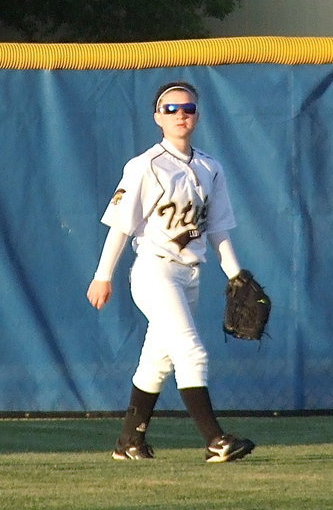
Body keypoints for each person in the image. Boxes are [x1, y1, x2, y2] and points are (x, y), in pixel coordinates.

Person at [86, 81, 255, 463]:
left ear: (197, 115)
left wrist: (235, 275)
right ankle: (215, 439)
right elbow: (121, 226)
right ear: (157, 117)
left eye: (189, 108)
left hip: (190, 275)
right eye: (172, 108)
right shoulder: (145, 166)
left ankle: (129, 441)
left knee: (157, 360)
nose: (181, 114)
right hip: (154, 272)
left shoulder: (210, 167)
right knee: (190, 352)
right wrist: (103, 275)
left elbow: (218, 230)